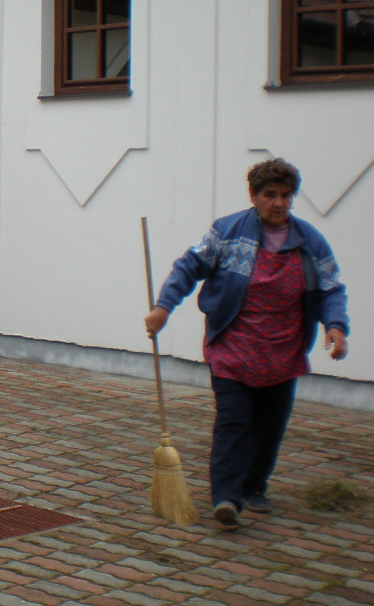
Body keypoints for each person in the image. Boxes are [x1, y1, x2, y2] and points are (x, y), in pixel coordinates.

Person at [144, 158, 349, 528]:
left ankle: (254, 486)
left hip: (283, 351)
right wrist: (163, 307)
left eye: (285, 195)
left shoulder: (310, 242)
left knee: (270, 426)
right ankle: (226, 497)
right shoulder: (227, 232)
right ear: (253, 195)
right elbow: (188, 267)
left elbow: (330, 288)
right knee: (234, 422)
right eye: (269, 195)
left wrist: (335, 326)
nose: (278, 203)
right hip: (233, 349)